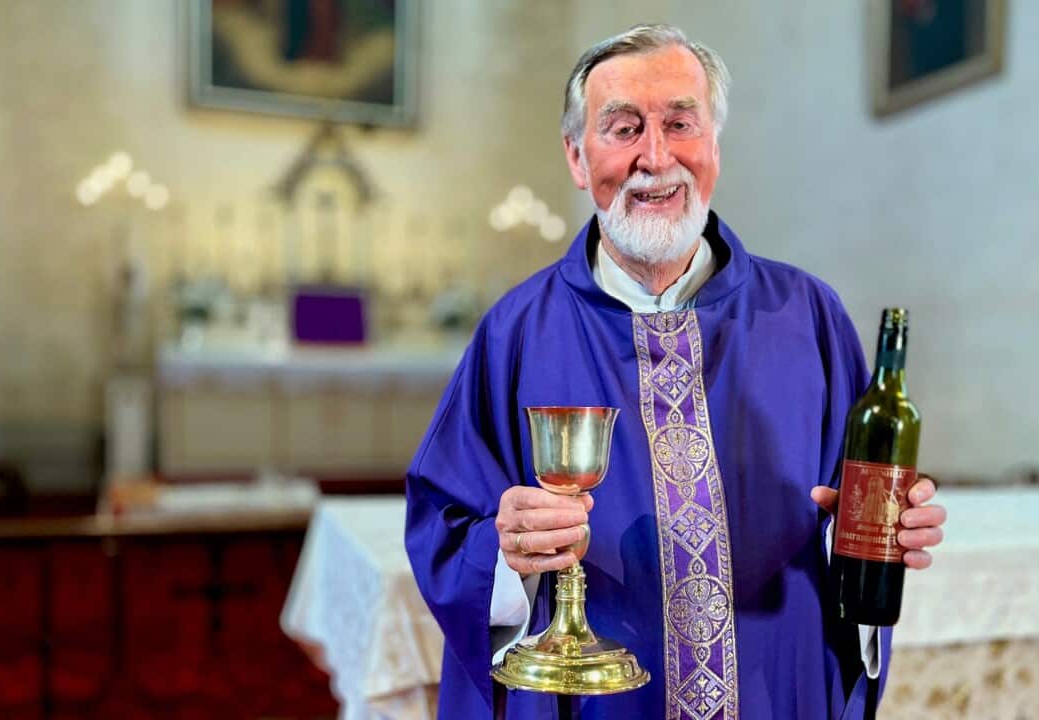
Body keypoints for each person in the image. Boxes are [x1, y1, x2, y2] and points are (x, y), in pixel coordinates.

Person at [405, 23, 947, 720]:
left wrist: (876, 541)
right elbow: (444, 532)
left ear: (714, 146)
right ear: (577, 156)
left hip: (775, 691)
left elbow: (853, 527)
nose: (655, 158)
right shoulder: (517, 331)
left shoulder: (808, 316)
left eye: (680, 124)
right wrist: (505, 552)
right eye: (623, 128)